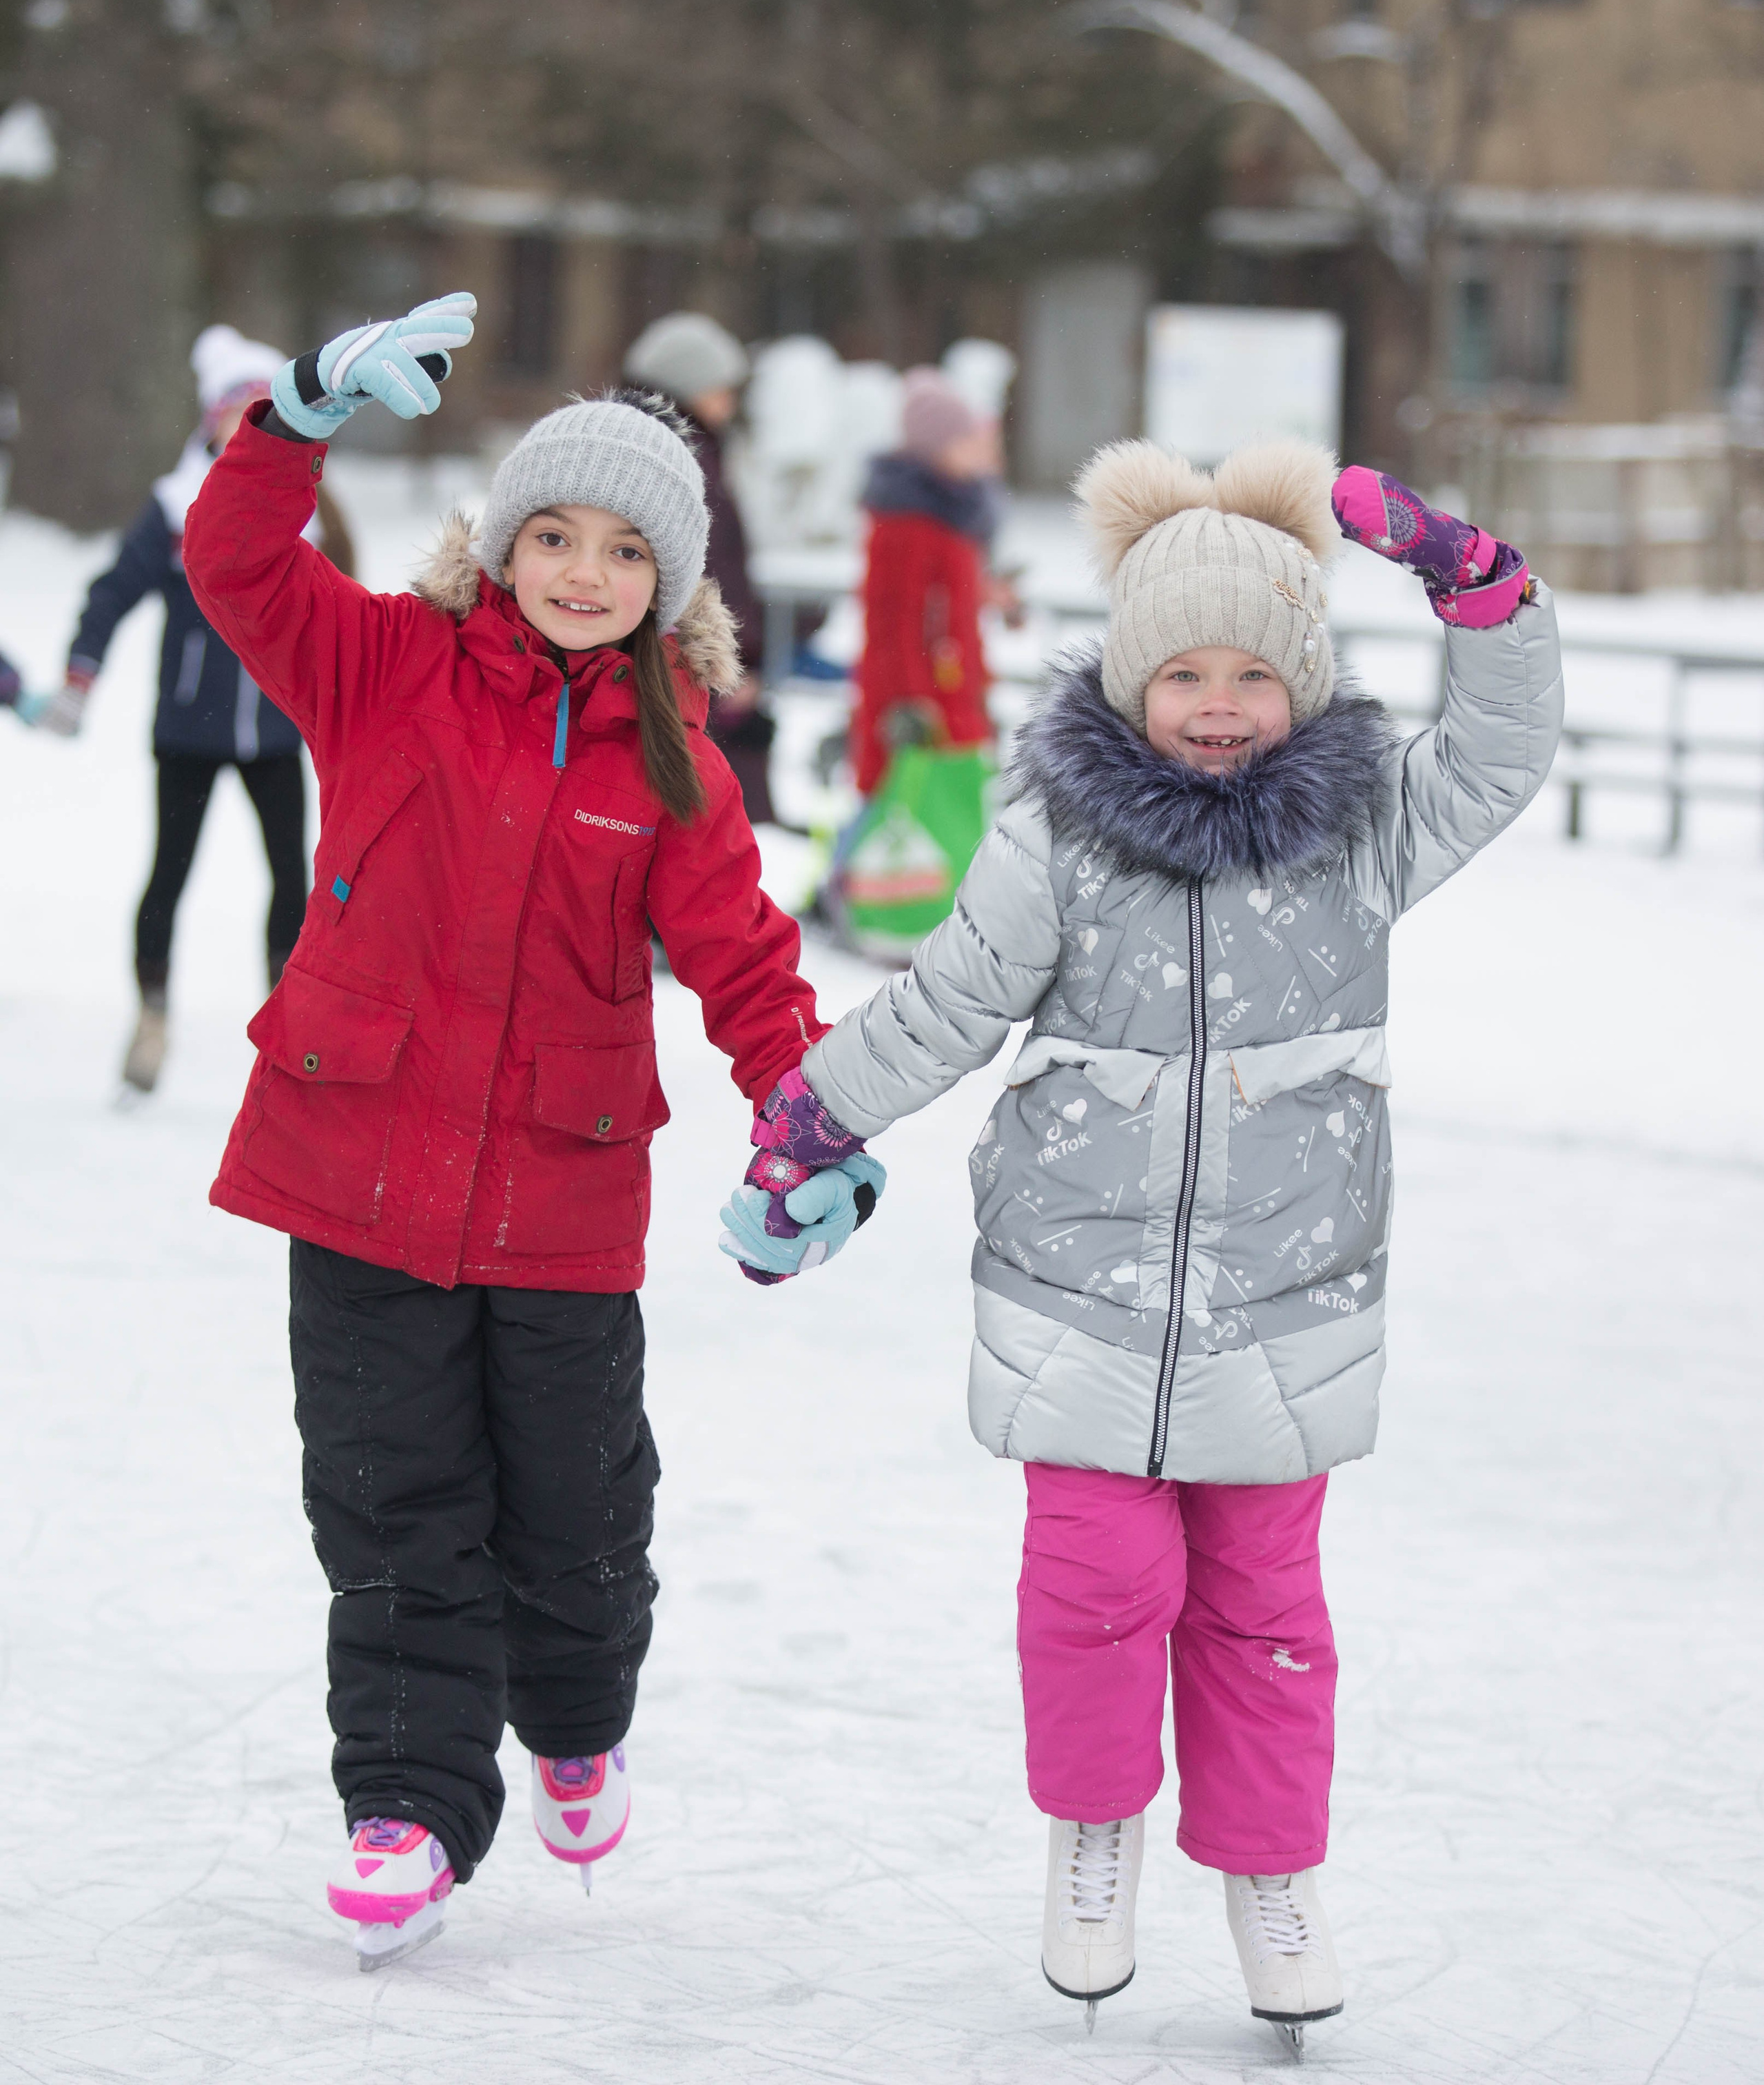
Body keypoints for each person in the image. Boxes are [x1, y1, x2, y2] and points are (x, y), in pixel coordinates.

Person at [720, 440, 1562, 2050]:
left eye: (1254, 670)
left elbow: (1501, 755)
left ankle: (1268, 1875)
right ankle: (1091, 1831)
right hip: (1076, 1278)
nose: (1220, 702)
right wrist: (810, 1122)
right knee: (1097, 1581)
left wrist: (1478, 586)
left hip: (1286, 1291)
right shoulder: (1058, 837)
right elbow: (952, 998)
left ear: (1304, 684)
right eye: (1182, 671)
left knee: (1261, 1605)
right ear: (1128, 681)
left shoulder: (1360, 834)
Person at [180, 294, 882, 1968]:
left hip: (560, 1205)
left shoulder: (673, 763)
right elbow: (238, 568)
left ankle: (572, 1716)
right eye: (549, 536)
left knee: (573, 1518)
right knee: (390, 1507)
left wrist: (812, 1120)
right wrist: (292, 414)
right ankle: (409, 1809)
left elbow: (745, 960)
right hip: (354, 1179)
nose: (582, 572)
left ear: (669, 586)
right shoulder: (383, 672)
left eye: (622, 552)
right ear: (497, 549)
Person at [33, 325, 355, 1096]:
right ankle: (151, 1013)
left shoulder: (310, 512)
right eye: (230, 408)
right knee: (168, 876)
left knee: (293, 876)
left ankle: (291, 1024)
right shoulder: (177, 508)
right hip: (189, 730)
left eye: (256, 406)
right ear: (210, 417)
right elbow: (111, 592)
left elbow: (350, 620)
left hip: (278, 730)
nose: (240, 418)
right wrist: (81, 675)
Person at [624, 310, 775, 823]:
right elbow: (715, 568)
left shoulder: (657, 447)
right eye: (721, 387)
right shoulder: (689, 459)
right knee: (708, 815)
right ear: (688, 387)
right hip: (693, 664)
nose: (730, 401)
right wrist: (743, 658)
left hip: (674, 660)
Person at [850, 365, 1003, 797]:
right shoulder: (908, 524)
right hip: (921, 706)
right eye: (965, 441)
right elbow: (895, 621)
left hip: (950, 694)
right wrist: (912, 703)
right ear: (937, 447)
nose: (978, 452)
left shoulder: (949, 514)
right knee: (906, 819)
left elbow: (952, 606)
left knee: (943, 825)